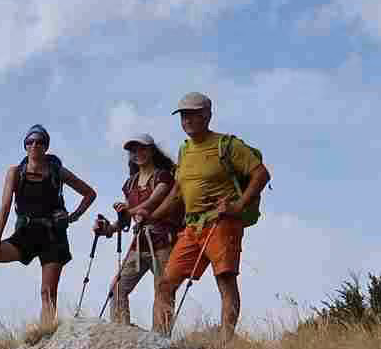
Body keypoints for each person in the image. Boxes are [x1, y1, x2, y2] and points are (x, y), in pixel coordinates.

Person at [131, 92, 271, 335]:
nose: (186, 120)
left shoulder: (227, 145)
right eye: (183, 115)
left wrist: (238, 206)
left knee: (225, 281)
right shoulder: (185, 150)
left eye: (192, 114)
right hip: (192, 226)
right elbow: (177, 193)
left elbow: (261, 174)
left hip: (222, 222)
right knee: (166, 283)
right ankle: (160, 339)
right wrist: (152, 217)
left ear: (207, 115)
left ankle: (226, 342)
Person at [0, 124, 96, 329]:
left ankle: (46, 333)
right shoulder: (15, 173)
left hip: (53, 236)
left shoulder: (57, 172)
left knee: (47, 292)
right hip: (25, 234)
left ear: (46, 146)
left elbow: (89, 194)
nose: (34, 145)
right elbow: (5, 206)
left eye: (39, 142)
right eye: (30, 141)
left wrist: (73, 217)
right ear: (25, 146)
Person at [94, 134, 182, 330]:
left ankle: (160, 339)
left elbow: (152, 203)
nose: (137, 153)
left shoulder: (164, 176)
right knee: (118, 287)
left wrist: (126, 212)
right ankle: (121, 333)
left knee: (163, 290)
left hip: (164, 241)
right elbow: (127, 218)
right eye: (133, 150)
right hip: (140, 242)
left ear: (151, 150)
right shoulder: (130, 184)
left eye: (142, 148)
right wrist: (108, 228)